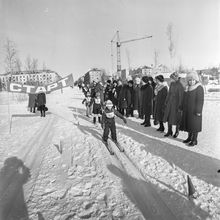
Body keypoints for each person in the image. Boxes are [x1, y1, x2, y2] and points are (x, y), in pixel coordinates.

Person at [180, 71, 204, 146]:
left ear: (196, 80)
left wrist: (198, 110)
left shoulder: (199, 87)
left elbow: (200, 100)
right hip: (187, 110)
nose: (191, 82)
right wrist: (182, 106)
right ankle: (189, 137)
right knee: (189, 124)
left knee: (194, 125)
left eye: (193, 80)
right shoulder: (187, 88)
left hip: (195, 111)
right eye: (190, 80)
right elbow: (184, 99)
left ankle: (194, 140)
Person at [163, 72, 184, 137]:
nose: (171, 79)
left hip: (176, 104)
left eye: (172, 78)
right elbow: (169, 93)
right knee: (169, 117)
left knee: (176, 118)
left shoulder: (180, 85)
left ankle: (177, 131)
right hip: (170, 103)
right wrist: (166, 101)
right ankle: (170, 131)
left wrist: (180, 105)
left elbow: (181, 96)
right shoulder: (172, 84)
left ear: (176, 77)